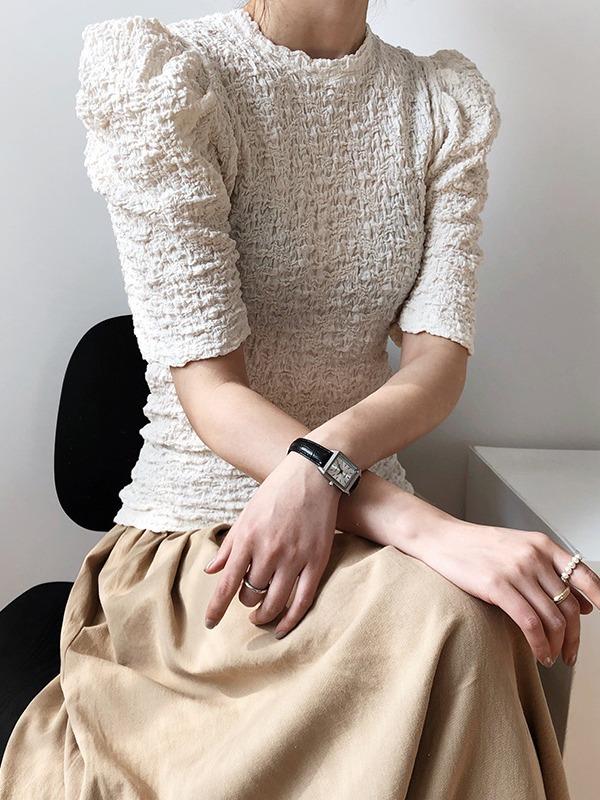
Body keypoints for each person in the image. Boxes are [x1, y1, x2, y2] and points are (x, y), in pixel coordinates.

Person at [1, 1, 597, 797]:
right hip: (205, 540)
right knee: (455, 623)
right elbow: (211, 388)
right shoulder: (169, 81)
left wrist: (324, 466)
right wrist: (426, 526)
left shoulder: (440, 103)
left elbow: (439, 360)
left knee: (474, 622)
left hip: (368, 536)